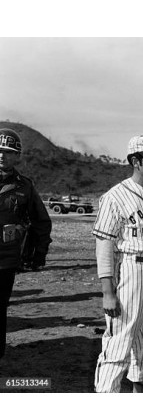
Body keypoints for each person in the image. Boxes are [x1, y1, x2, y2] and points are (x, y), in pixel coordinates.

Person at [92, 135, 143, 393]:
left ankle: (140, 393)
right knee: (119, 339)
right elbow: (104, 245)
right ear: (136, 161)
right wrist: (107, 292)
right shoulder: (114, 196)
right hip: (131, 268)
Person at [0, 128, 52, 359]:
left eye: (9, 152)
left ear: (18, 156)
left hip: (6, 262)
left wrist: (38, 255)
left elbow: (41, 222)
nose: (2, 156)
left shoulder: (25, 186)